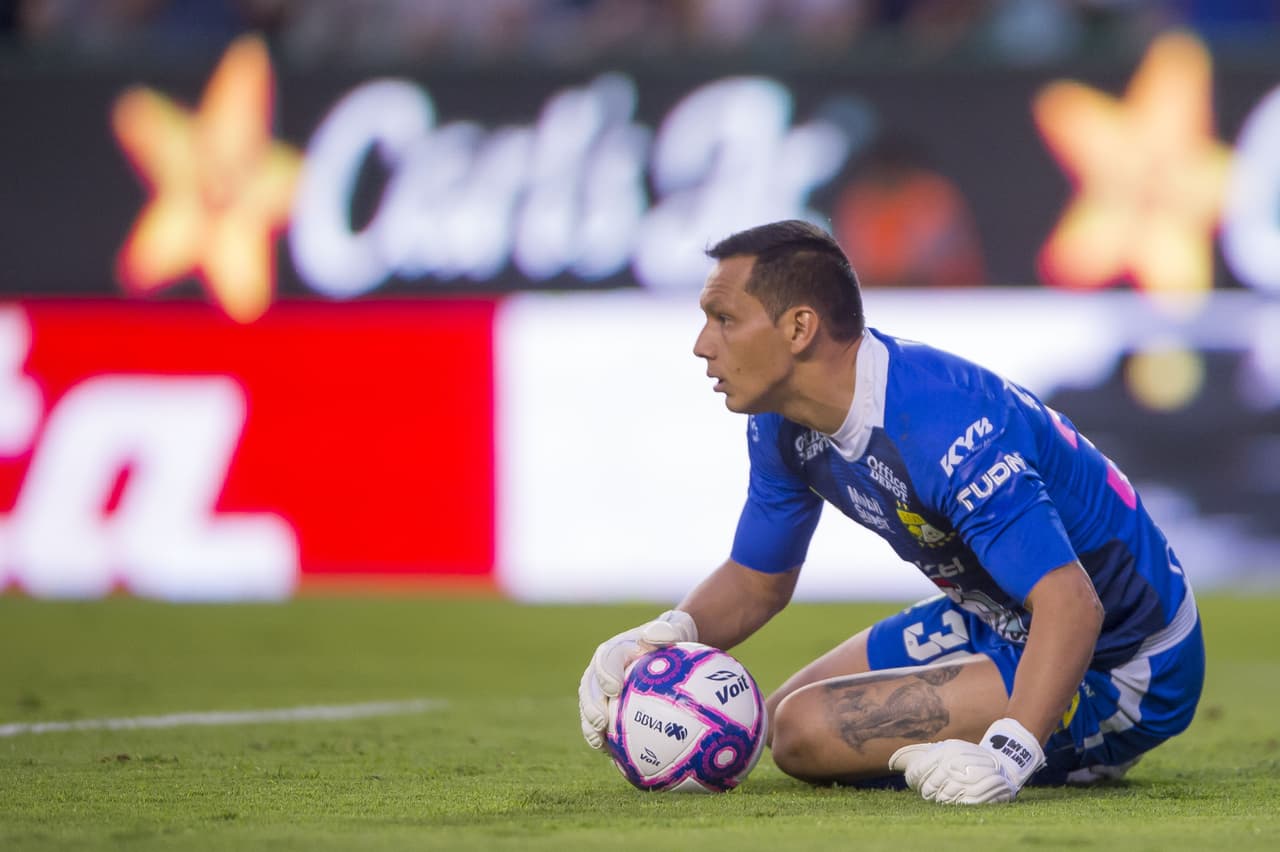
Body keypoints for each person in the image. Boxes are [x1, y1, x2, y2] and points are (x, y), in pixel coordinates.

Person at [577, 219, 1204, 804]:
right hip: (998, 617)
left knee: (802, 731)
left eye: (723, 319)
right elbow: (755, 581)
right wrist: (660, 637)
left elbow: (1073, 603)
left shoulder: (945, 425)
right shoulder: (780, 423)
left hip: (1124, 660)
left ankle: (1076, 743)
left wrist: (1010, 753)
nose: (701, 345)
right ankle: (1010, 714)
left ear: (798, 329)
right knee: (776, 713)